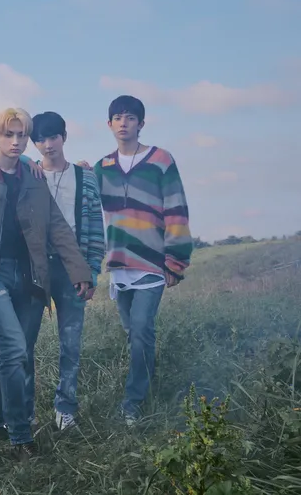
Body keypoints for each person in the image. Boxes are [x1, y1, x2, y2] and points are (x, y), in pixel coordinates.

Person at [0, 107, 93, 461]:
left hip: (30, 275)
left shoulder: (33, 177)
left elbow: (57, 225)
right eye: (8, 135)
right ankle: (20, 435)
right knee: (15, 349)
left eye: (22, 136)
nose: (15, 142)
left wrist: (80, 270)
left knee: (14, 351)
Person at [94, 95, 193, 426]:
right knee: (134, 334)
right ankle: (151, 383)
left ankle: (132, 404)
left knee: (140, 329)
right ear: (109, 124)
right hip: (119, 266)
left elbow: (176, 209)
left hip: (152, 265)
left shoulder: (161, 160)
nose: (123, 123)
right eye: (118, 117)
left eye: (130, 117)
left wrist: (176, 261)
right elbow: (82, 198)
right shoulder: (103, 167)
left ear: (141, 124)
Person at [25, 111, 105, 432]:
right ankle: (25, 410)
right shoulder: (28, 174)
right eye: (40, 139)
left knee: (71, 343)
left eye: (53, 137)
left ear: (64, 137)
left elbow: (96, 227)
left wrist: (92, 271)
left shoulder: (85, 177)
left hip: (73, 267)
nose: (47, 145)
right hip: (35, 268)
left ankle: (65, 407)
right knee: (24, 342)